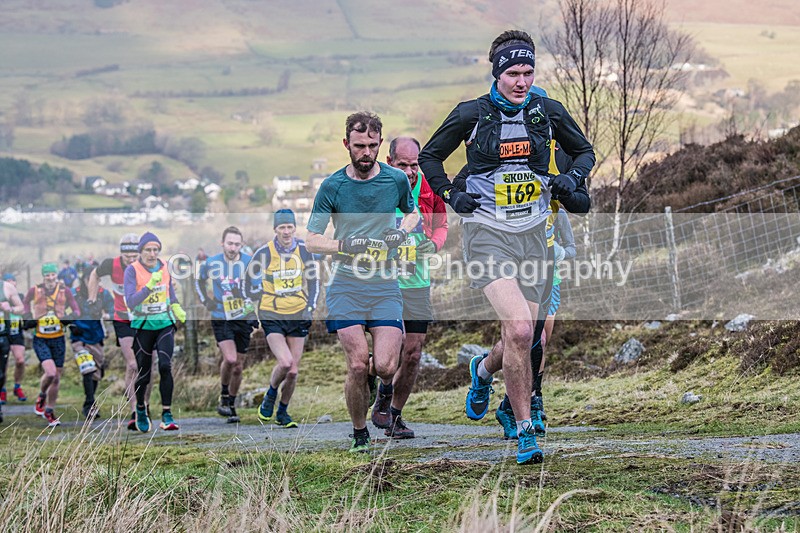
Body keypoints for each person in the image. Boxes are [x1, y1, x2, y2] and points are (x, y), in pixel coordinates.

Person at [418, 30, 594, 464]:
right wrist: (450, 195)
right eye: (513, 72)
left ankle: (481, 370)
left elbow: (585, 151)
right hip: (487, 233)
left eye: (528, 72)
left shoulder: (547, 111)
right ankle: (524, 430)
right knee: (518, 329)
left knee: (529, 334)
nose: (521, 80)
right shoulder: (471, 114)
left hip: (534, 234)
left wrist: (570, 180)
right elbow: (429, 157)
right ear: (497, 73)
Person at [306, 111, 419, 453]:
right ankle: (359, 433)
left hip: (384, 283)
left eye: (372, 145)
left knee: (385, 366)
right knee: (358, 363)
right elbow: (311, 240)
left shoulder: (397, 180)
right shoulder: (332, 186)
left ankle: (377, 390)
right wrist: (343, 244)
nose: (366, 152)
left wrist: (400, 232)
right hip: (346, 285)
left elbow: (413, 214)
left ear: (380, 144)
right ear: (347, 145)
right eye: (359, 146)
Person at [378, 137, 449, 439]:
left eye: (414, 165)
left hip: (417, 282)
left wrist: (433, 243)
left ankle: (394, 413)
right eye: (402, 165)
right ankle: (381, 388)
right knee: (390, 352)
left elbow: (443, 223)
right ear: (390, 161)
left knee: (414, 353)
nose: (409, 171)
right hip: (384, 282)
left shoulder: (429, 187)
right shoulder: (377, 185)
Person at [246, 209, 320, 428]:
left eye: (290, 227)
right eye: (282, 227)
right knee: (285, 362)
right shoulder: (264, 252)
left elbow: (314, 282)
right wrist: (253, 306)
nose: (286, 231)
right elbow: (247, 282)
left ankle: (283, 412)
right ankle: (270, 395)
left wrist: (311, 306)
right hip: (272, 313)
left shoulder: (305, 251)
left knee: (294, 371)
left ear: (295, 228)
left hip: (297, 312)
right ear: (275, 229)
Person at [88, 233, 155, 430]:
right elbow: (94, 274)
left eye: (135, 255)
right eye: (127, 256)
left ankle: (145, 405)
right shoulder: (111, 264)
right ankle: (135, 411)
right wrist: (92, 298)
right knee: (133, 364)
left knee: (147, 366)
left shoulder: (149, 265)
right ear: (121, 254)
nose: (131, 259)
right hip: (123, 319)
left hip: (145, 319)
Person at [124, 232, 187, 432]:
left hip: (164, 324)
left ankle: (167, 414)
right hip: (143, 326)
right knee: (144, 372)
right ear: (140, 251)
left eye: (155, 249)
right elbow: (131, 301)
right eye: (148, 250)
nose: (152, 253)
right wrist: (149, 287)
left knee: (166, 366)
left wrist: (177, 307)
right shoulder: (132, 271)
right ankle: (141, 408)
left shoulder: (164, 267)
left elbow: (171, 293)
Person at [196, 226, 258, 424]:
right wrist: (206, 301)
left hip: (243, 317)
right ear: (222, 243)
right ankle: (223, 393)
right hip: (221, 316)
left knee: (239, 367)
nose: (233, 248)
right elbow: (198, 281)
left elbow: (259, 286)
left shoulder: (249, 262)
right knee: (230, 359)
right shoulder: (212, 263)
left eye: (237, 244)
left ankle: (230, 405)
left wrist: (251, 299)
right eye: (229, 243)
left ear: (242, 245)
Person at [22, 262, 81, 427]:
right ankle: (42, 395)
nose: (50, 277)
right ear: (43, 276)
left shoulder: (65, 290)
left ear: (57, 275)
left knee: (56, 378)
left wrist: (70, 318)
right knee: (50, 372)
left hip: (58, 338)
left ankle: (49, 411)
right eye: (47, 275)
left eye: (52, 274)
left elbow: (76, 310)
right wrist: (27, 316)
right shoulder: (35, 290)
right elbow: (26, 303)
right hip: (41, 337)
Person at [71, 269, 114, 419]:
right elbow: (62, 310)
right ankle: (90, 404)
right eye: (88, 279)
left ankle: (89, 401)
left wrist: (108, 315)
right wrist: (70, 323)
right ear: (83, 280)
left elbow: (112, 310)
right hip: (79, 338)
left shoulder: (104, 294)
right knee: (87, 368)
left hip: (96, 337)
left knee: (96, 373)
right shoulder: (74, 293)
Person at [0, 275, 25, 423]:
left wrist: (10, 308)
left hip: (4, 335)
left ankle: (12, 388)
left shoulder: (7, 288)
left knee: (1, 373)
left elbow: (21, 308)